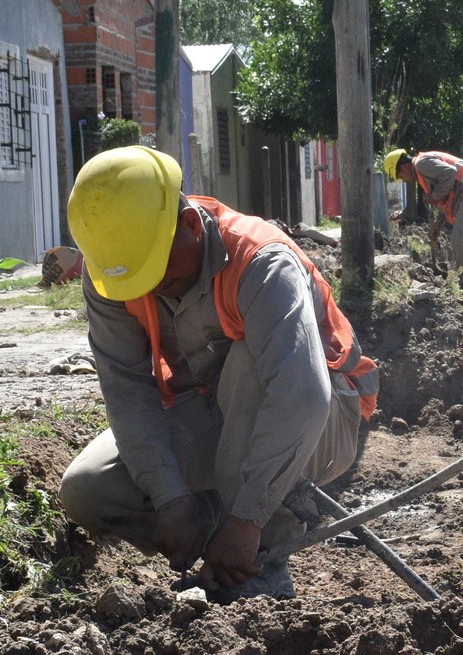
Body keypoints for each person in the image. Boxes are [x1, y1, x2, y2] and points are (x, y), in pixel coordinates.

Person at [58, 146, 379, 603]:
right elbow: (126, 388)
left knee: (250, 362)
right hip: (214, 409)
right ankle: (218, 539)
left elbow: (301, 395)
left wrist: (248, 520)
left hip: (323, 419)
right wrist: (169, 497)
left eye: (157, 275)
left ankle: (259, 554)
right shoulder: (115, 271)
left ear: (190, 226)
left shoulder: (261, 262)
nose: (144, 290)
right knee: (90, 488)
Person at [383, 148, 463, 302]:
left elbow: (449, 172)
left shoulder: (421, 164)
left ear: (403, 167)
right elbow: (448, 196)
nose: (405, 180)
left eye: (401, 176)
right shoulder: (424, 172)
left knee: (459, 239)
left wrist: (433, 197)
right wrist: (438, 224)